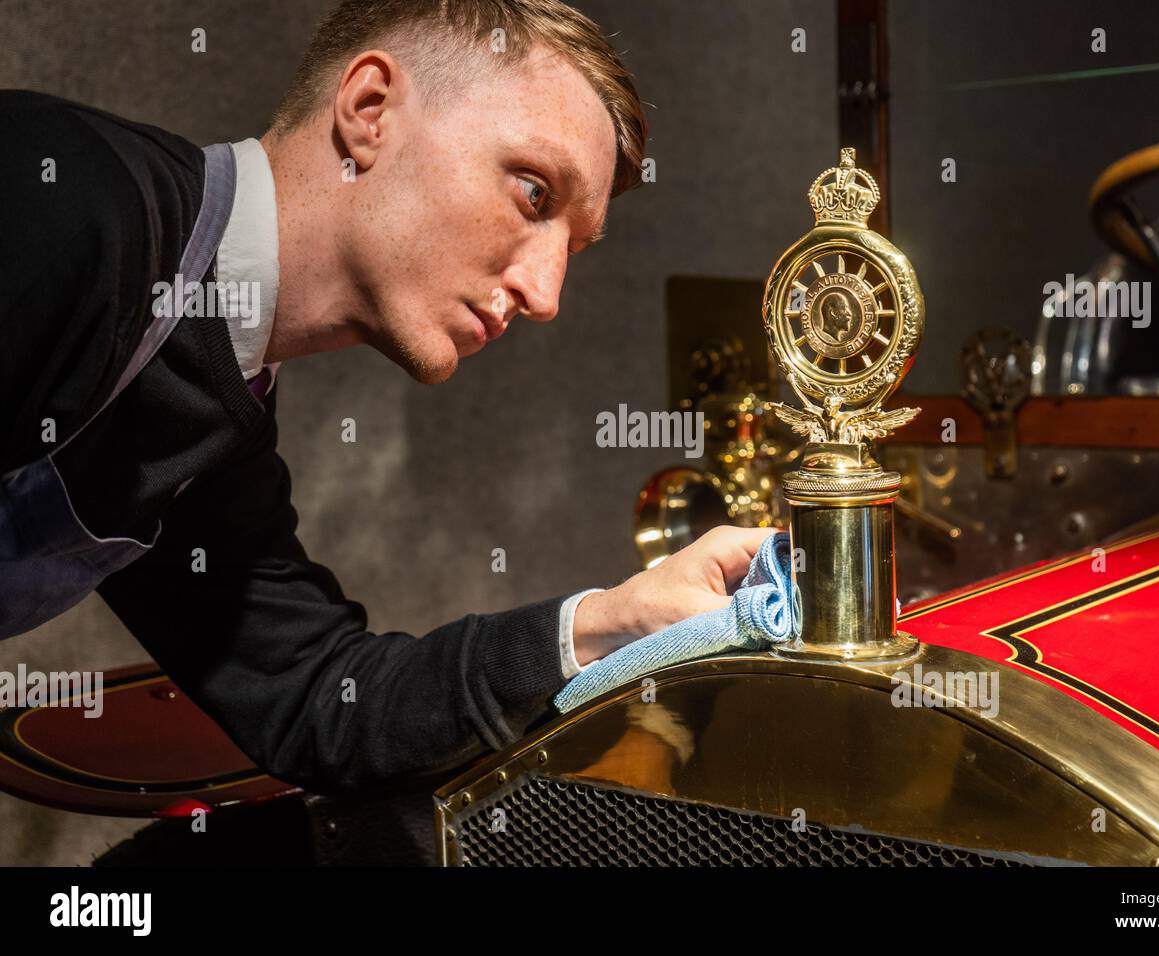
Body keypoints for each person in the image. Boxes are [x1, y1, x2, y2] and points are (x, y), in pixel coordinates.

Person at [0, 0, 775, 792]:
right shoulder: (56, 196)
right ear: (370, 110)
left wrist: (614, 620)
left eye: (571, 248)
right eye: (534, 195)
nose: (546, 294)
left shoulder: (217, 416)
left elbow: (324, 702)